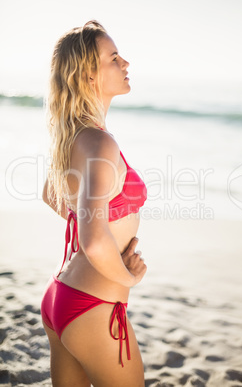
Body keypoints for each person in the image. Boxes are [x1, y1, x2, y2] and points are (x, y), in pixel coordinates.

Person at [40, 20, 148, 387]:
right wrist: (127, 275)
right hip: (93, 306)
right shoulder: (100, 144)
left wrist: (100, 222)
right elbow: (96, 241)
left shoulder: (74, 137)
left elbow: (51, 194)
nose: (126, 64)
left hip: (61, 296)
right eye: (114, 58)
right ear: (89, 75)